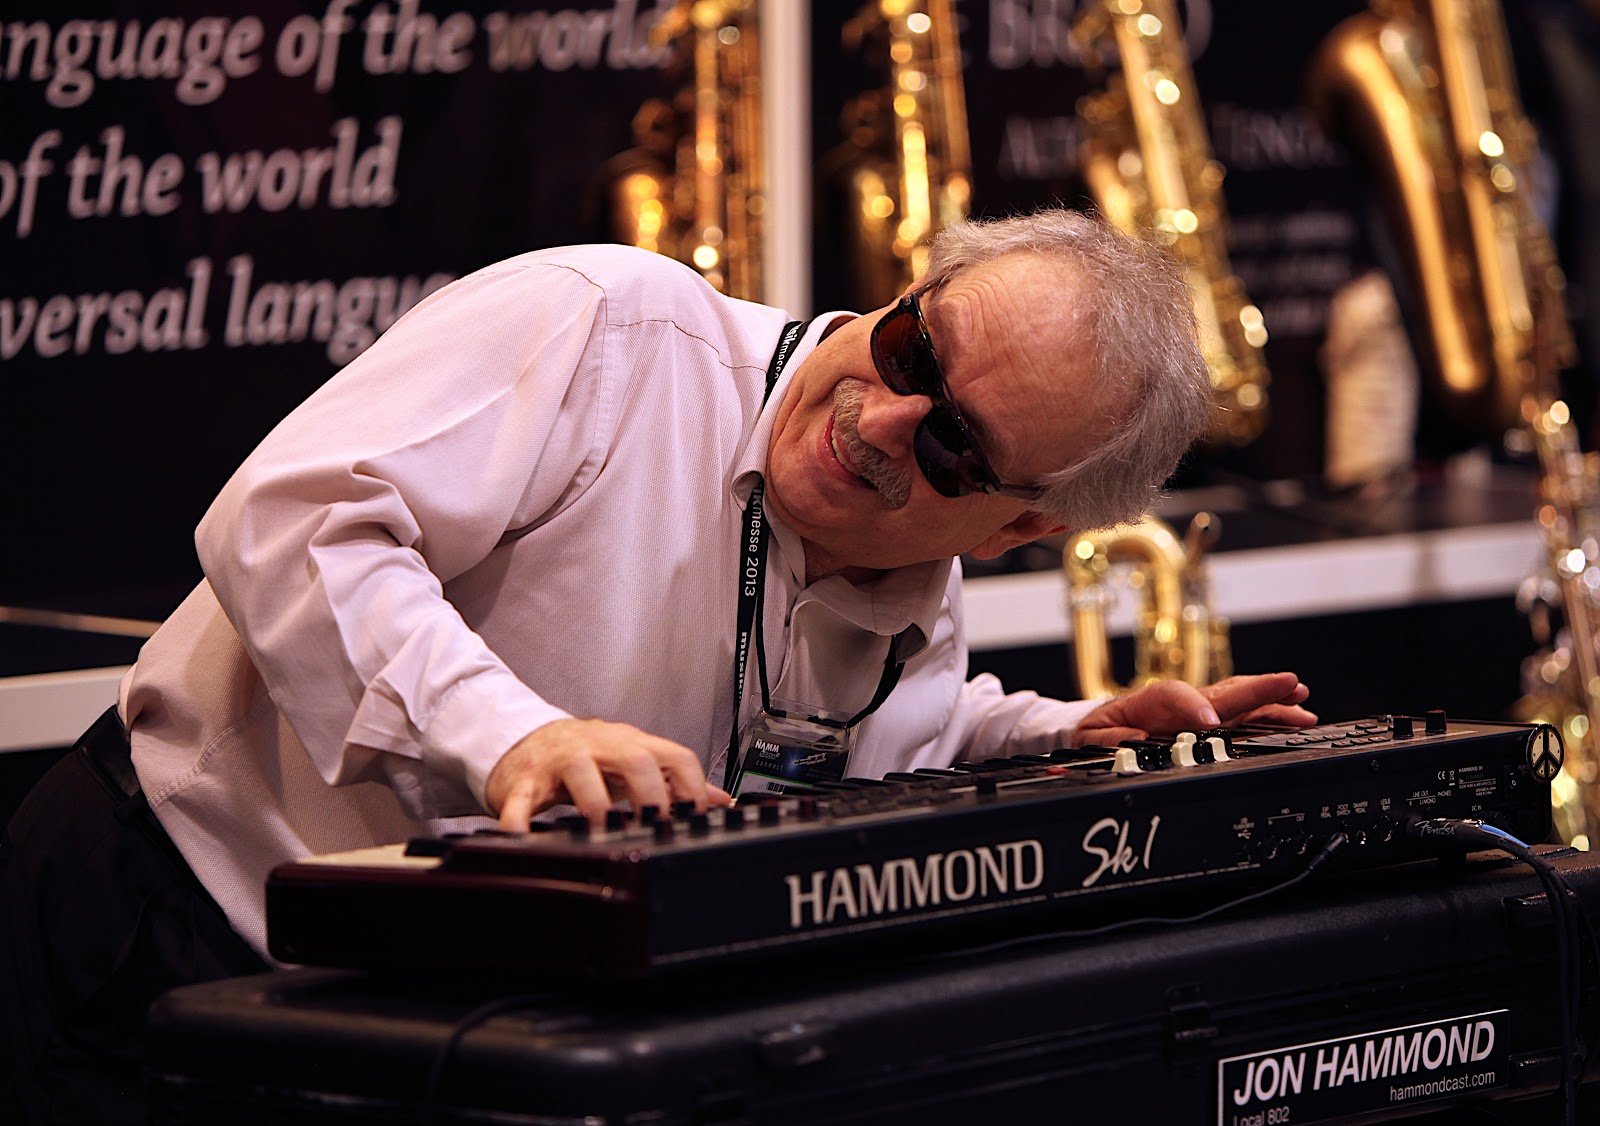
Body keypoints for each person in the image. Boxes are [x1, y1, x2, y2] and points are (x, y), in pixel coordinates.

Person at [0, 207, 1314, 1123]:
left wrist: (1060, 736)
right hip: (171, 921)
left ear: (1018, 527)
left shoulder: (917, 579)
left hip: (414, 1019)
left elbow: (867, 746)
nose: (881, 417)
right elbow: (292, 517)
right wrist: (512, 735)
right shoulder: (609, 326)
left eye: (953, 446)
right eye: (913, 349)